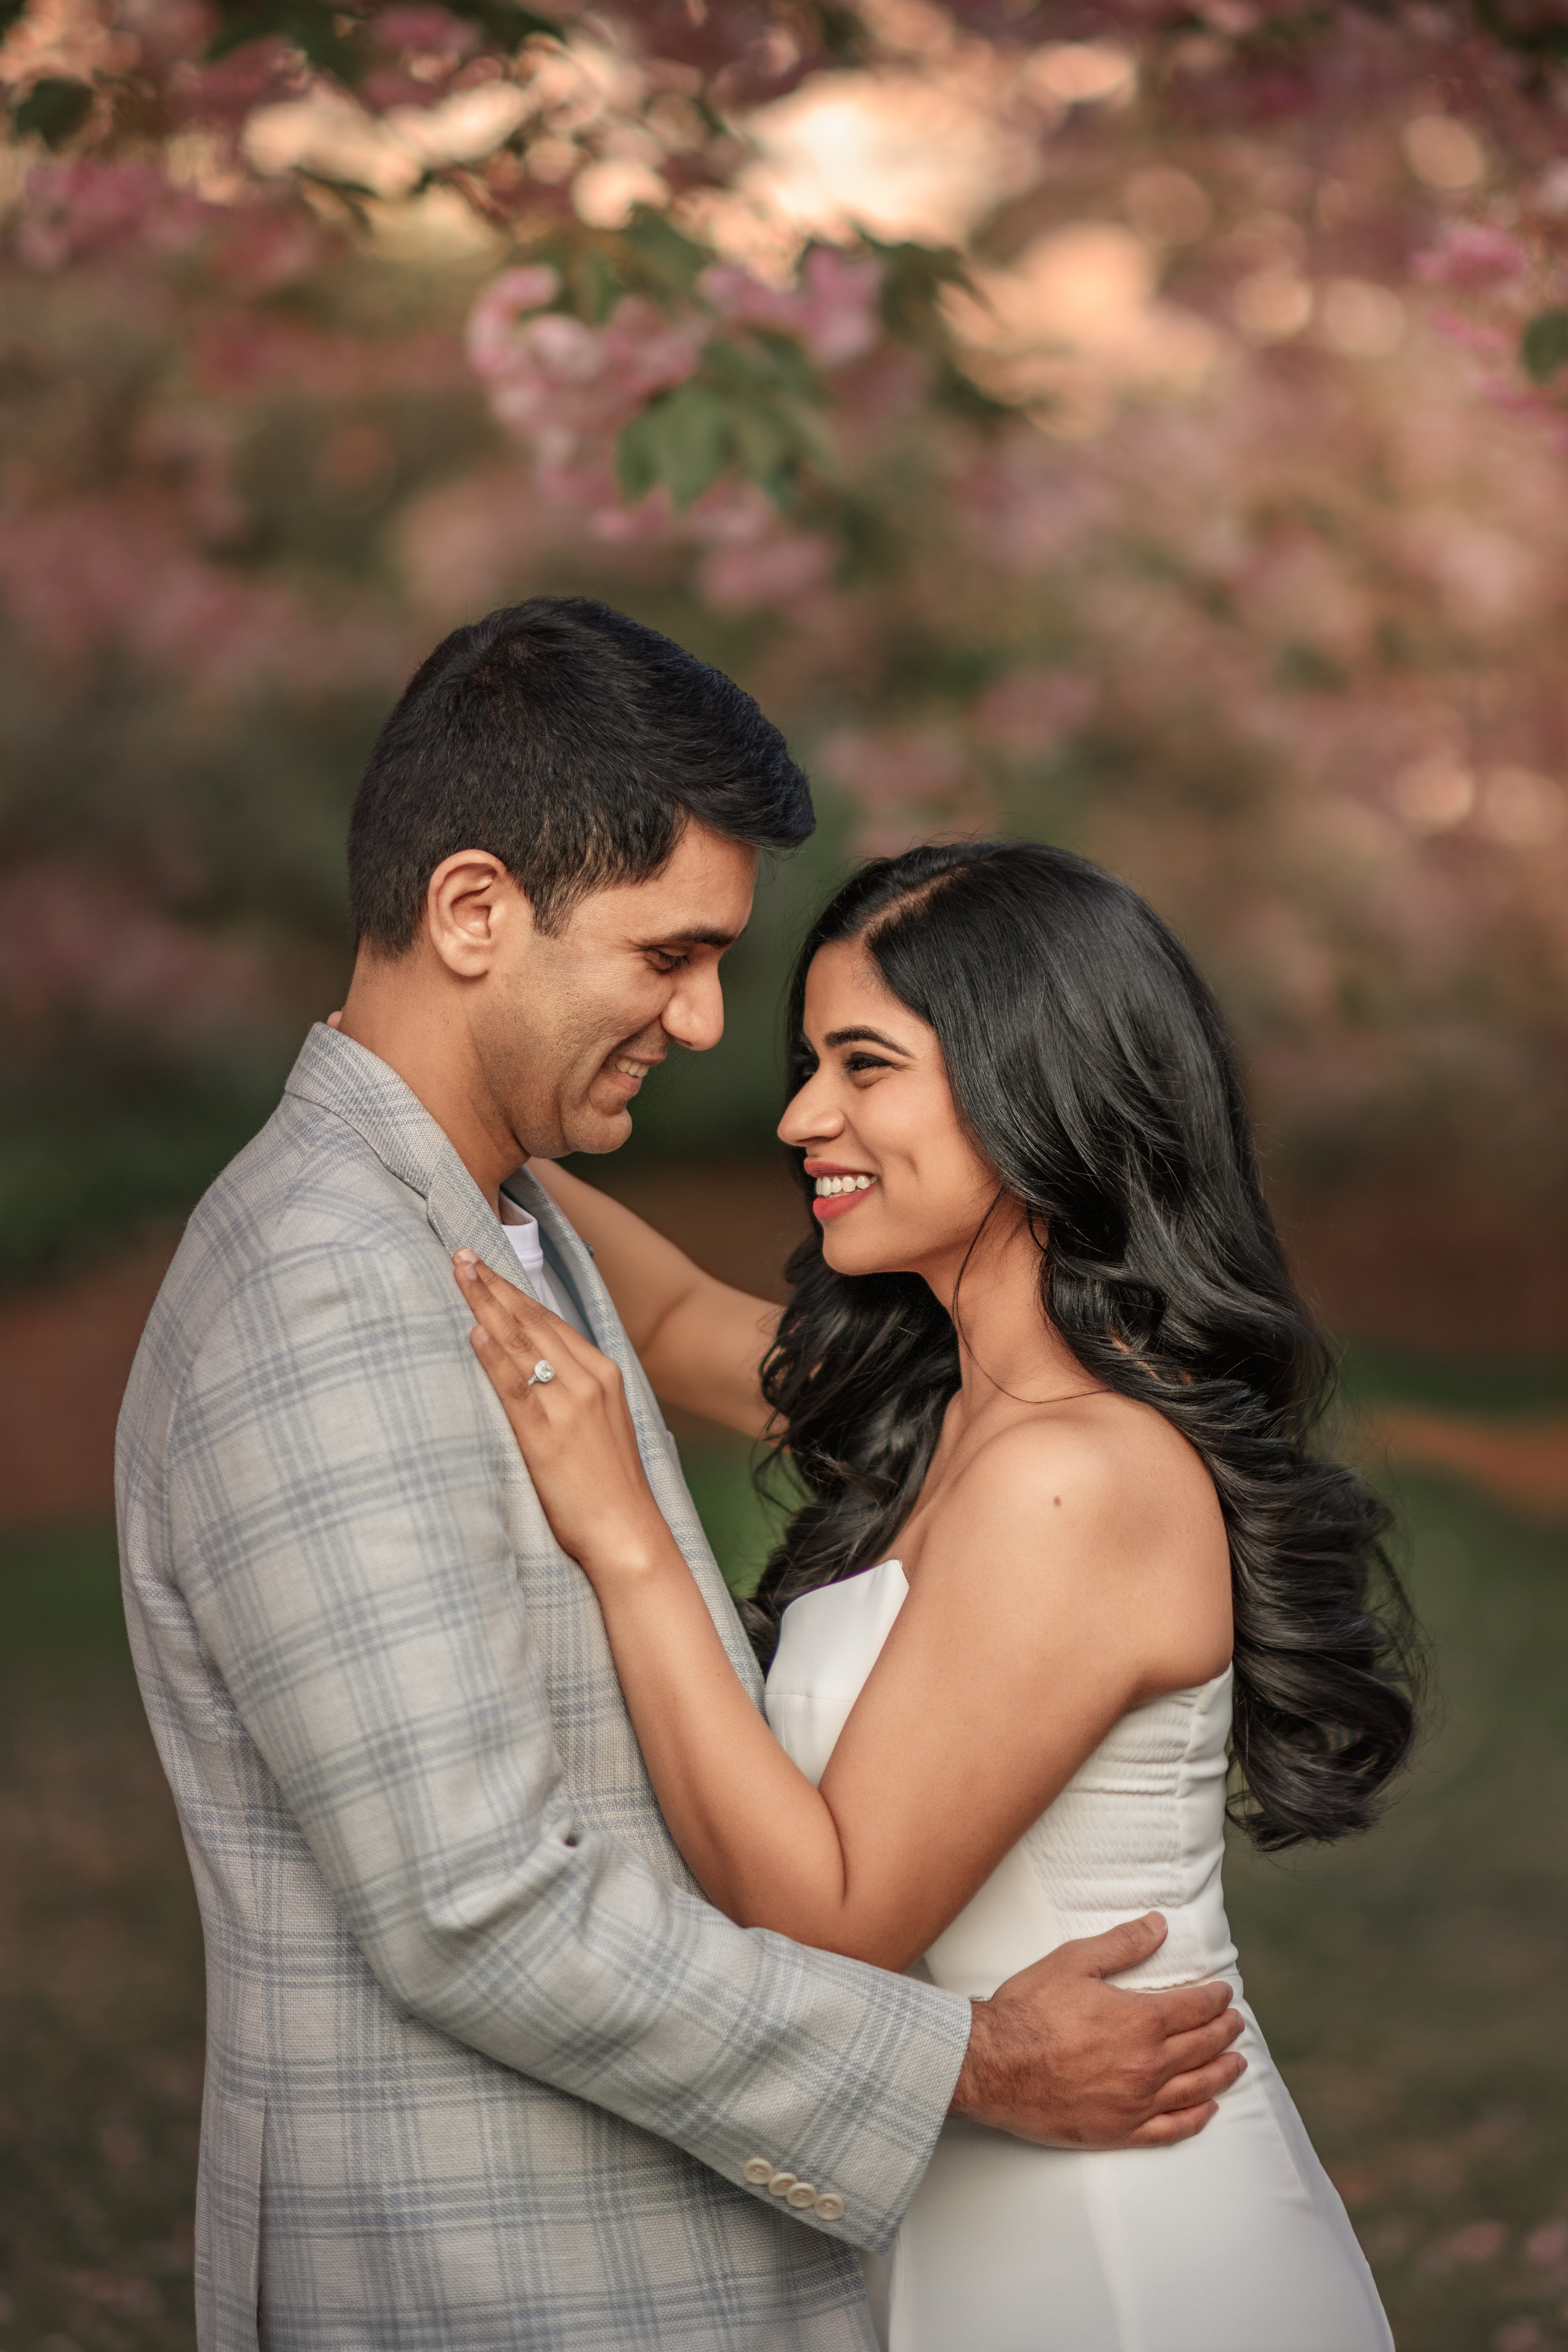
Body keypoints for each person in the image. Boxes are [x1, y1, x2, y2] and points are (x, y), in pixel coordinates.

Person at [115, 606, 1246, 2352]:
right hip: (501, 2284)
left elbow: (719, 1336)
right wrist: (966, 2063)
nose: (716, 1032)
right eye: (670, 957)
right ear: (474, 911)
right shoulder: (327, 1284)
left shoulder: (494, 1222)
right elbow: (474, 1905)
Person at [456, 837, 1420, 2352]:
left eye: (863, 1064)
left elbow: (826, 1920)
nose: (798, 1116)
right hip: (960, 2204)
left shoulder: (1077, 1478)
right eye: (805, 1061)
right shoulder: (942, 1407)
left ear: (1033, 1088)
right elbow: (653, 1308)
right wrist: (429, 1112)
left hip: (1119, 2258)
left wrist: (624, 1536)